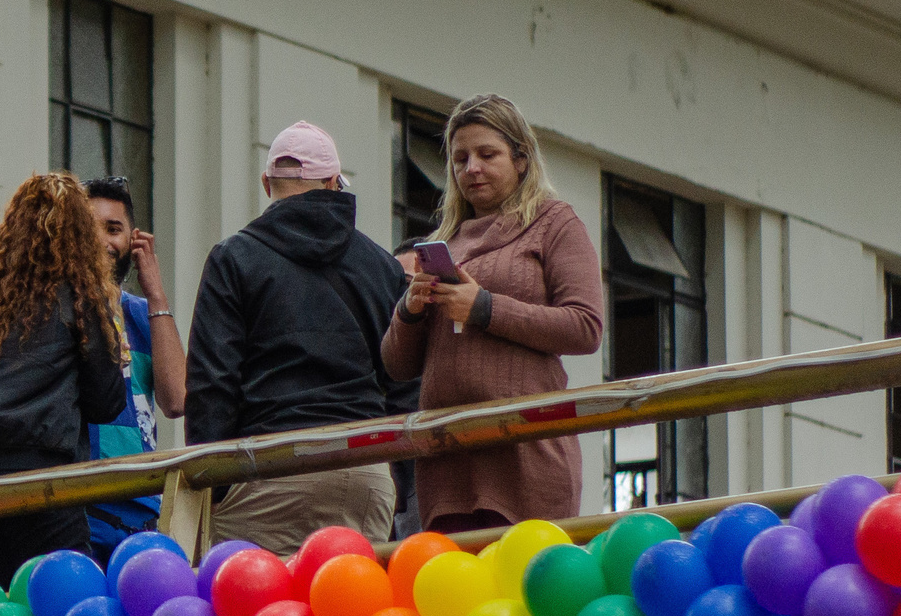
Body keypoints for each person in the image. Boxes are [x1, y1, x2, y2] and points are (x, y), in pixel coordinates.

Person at [183, 122, 413, 553]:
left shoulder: (234, 258)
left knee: (255, 596)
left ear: (266, 183)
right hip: (366, 471)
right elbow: (403, 380)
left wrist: (212, 486)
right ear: (333, 182)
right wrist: (396, 478)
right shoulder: (384, 267)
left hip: (271, 466)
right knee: (347, 595)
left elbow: (212, 383)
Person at [381, 94, 605, 531]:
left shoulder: (554, 223)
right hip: (448, 464)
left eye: (487, 155)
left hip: (524, 457)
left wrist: (484, 307)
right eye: (460, 159)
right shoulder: (444, 241)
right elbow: (397, 366)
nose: (472, 168)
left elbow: (585, 326)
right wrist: (410, 310)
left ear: (521, 159)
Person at [0, 173, 129, 587]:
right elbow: (107, 401)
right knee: (59, 603)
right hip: (41, 480)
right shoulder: (82, 296)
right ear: (82, 236)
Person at [80, 177, 187, 563]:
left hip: (141, 510)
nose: (103, 241)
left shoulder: (144, 314)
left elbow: (177, 400)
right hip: (79, 501)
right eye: (89, 228)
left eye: (114, 229)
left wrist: (155, 292)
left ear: (133, 239)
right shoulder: (56, 309)